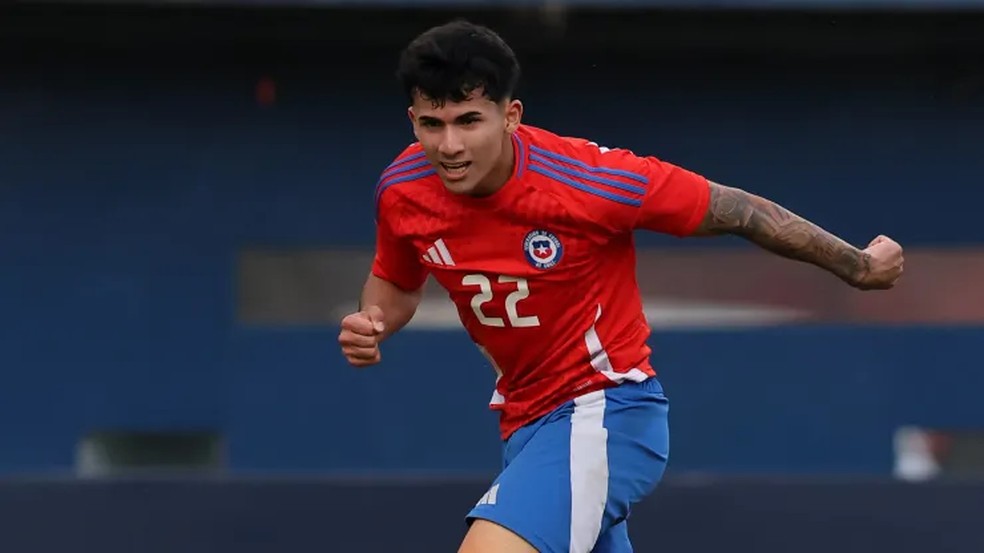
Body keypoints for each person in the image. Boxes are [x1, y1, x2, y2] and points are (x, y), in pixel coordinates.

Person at [337, 19, 903, 553]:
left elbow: (737, 210)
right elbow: (396, 280)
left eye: (468, 121)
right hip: (524, 426)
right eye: (431, 124)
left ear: (510, 116)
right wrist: (374, 321)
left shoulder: (589, 180)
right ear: (412, 120)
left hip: (605, 410)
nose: (449, 146)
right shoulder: (403, 189)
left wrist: (856, 264)